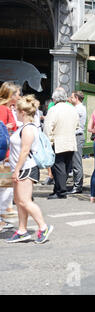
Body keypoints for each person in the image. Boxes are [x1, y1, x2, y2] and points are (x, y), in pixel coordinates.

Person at [6, 95, 54, 244]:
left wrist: (16, 170)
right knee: (19, 201)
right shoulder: (24, 127)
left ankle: (43, 227)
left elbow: (25, 151)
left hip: (25, 168)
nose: (15, 112)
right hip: (21, 167)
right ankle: (22, 230)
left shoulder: (28, 129)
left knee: (25, 201)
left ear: (24, 112)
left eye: (17, 110)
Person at [44, 87, 79, 199]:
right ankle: (57, 189)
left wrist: (47, 142)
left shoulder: (53, 110)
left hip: (57, 142)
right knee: (65, 167)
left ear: (55, 99)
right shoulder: (73, 109)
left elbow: (48, 128)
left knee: (58, 168)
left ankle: (61, 192)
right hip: (71, 142)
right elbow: (77, 126)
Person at [0, 81, 19, 230]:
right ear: (10, 95)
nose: (19, 96)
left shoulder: (7, 108)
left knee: (5, 187)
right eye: (17, 94)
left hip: (6, 152)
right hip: (5, 154)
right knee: (4, 188)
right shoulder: (3, 109)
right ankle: (1, 218)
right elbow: (3, 132)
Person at [67, 90, 87, 194]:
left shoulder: (78, 109)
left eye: (71, 97)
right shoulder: (76, 108)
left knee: (76, 162)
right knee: (73, 162)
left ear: (76, 98)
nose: (69, 99)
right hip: (74, 136)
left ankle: (78, 186)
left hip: (77, 137)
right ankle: (76, 184)